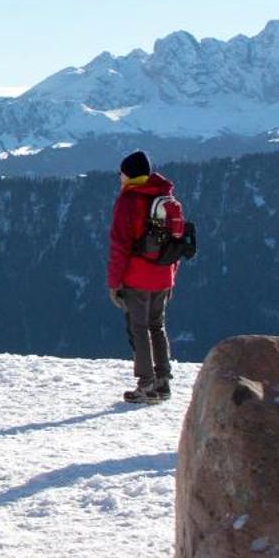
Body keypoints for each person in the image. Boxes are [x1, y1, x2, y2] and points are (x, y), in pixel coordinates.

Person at [107, 150, 178, 404]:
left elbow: (120, 245)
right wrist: (171, 275)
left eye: (122, 173)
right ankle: (163, 382)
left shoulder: (129, 201)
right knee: (157, 326)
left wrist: (114, 282)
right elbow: (175, 241)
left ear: (129, 174)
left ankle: (145, 385)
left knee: (139, 328)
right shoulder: (164, 197)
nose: (120, 177)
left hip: (137, 276)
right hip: (163, 274)